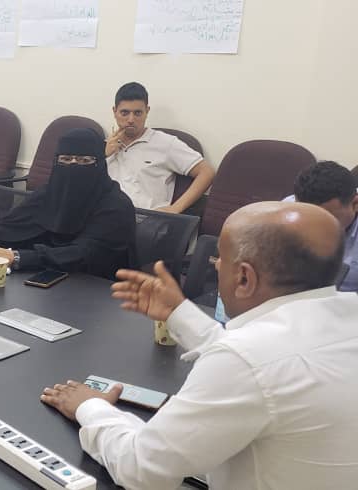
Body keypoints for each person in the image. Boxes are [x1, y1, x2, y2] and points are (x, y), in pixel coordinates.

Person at [41, 201, 358, 489]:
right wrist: (179, 313)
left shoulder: (245, 360)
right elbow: (268, 363)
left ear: (244, 278)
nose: (216, 265)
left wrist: (91, 407)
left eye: (221, 257)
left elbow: (141, 470)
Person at [0, 128, 135, 279]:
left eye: (84, 161)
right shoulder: (49, 193)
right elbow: (11, 224)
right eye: (65, 160)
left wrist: (15, 256)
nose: (73, 166)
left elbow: (84, 253)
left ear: (100, 164)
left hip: (96, 291)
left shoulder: (116, 206)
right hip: (46, 283)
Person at [105, 82, 215, 213]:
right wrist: (103, 155)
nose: (131, 119)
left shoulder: (165, 143)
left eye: (138, 113)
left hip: (146, 218)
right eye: (124, 113)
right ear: (114, 112)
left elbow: (206, 172)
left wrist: (176, 208)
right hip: (106, 215)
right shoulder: (104, 147)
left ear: (147, 111)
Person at [284, 161, 358, 291]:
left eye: (326, 217)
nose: (315, 227)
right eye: (307, 216)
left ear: (355, 204)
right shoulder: (285, 213)